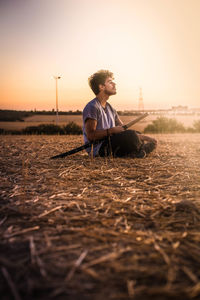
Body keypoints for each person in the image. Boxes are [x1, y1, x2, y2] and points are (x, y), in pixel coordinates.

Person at [82, 70, 157, 158]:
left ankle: (138, 152)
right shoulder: (92, 107)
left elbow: (123, 129)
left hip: (112, 142)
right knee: (131, 135)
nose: (114, 84)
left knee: (135, 133)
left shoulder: (111, 108)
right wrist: (112, 131)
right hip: (99, 148)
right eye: (110, 82)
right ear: (101, 87)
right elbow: (91, 136)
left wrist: (140, 136)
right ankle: (140, 151)